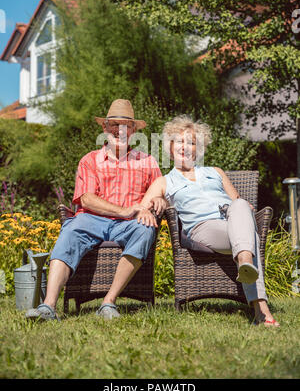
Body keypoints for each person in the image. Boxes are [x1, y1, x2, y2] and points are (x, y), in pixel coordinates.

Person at [25, 99, 164, 321]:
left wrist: (157, 202)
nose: (120, 130)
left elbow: (160, 191)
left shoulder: (147, 161)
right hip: (92, 220)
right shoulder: (90, 160)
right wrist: (124, 210)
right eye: (114, 125)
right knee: (70, 231)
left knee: (145, 230)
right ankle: (48, 306)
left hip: (129, 225)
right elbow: (87, 199)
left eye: (126, 125)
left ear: (134, 130)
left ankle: (109, 302)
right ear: (104, 128)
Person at [137, 115, 279, 327]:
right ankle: (258, 302)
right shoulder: (165, 181)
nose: (185, 147)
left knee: (240, 205)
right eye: (180, 141)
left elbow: (237, 202)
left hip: (233, 223)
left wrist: (242, 209)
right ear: (170, 147)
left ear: (198, 149)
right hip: (203, 229)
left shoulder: (216, 172)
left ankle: (247, 265)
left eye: (192, 142)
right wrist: (158, 200)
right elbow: (142, 208)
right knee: (249, 233)